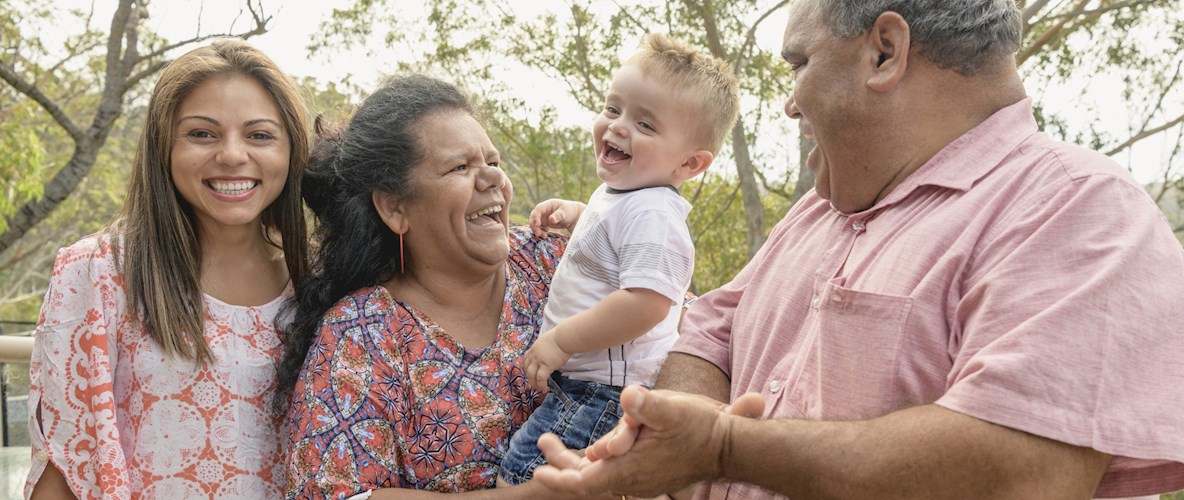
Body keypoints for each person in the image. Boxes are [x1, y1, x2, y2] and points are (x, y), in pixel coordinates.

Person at [533, 0, 1184, 498]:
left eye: (800, 62)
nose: (791, 103)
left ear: (885, 50)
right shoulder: (817, 211)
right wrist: (683, 436)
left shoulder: (1082, 210)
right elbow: (708, 334)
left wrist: (727, 447)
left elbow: (1022, 471)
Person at [279, 74, 609, 499]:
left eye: (492, 161)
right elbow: (334, 495)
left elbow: (679, 324)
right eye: (460, 167)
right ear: (395, 208)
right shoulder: (361, 335)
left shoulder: (553, 260)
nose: (491, 178)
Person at [25, 38, 311, 499]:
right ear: (164, 146)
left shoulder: (320, 282)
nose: (233, 155)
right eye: (202, 133)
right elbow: (63, 467)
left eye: (260, 135)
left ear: (292, 150)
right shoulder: (98, 273)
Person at [498, 33, 740, 486]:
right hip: (589, 386)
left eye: (646, 125)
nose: (618, 127)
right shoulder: (628, 195)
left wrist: (561, 340)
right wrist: (579, 215)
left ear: (689, 164)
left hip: (605, 392)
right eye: (613, 109)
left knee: (525, 477)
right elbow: (615, 242)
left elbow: (647, 302)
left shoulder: (654, 211)